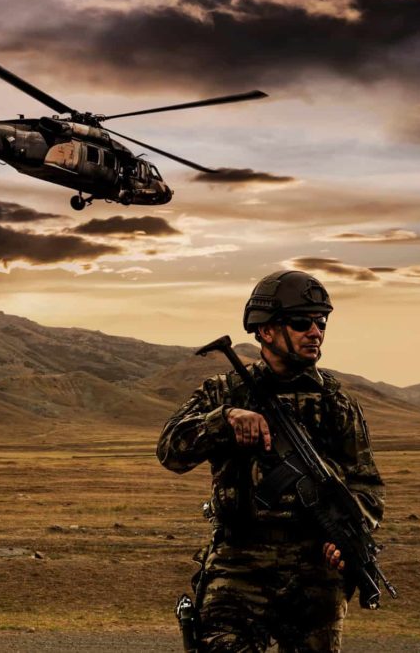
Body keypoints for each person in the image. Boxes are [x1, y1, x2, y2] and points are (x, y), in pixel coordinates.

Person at [158, 270, 385, 652]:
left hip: (315, 571)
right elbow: (170, 451)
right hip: (238, 565)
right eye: (301, 322)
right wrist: (224, 419)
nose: (315, 332)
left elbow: (366, 485)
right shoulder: (224, 392)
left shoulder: (337, 403)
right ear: (265, 331)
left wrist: (347, 536)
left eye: (321, 322)